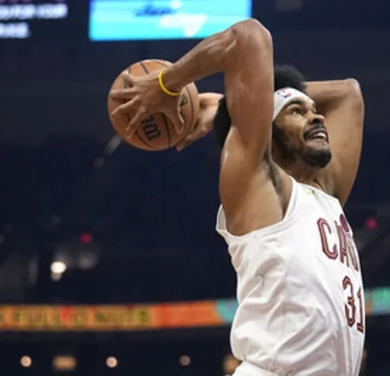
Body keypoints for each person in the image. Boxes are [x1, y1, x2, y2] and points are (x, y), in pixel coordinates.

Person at [109, 19, 366, 376]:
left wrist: (233, 104)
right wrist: (170, 83)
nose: (317, 115)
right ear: (267, 131)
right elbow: (250, 37)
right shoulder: (258, 182)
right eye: (297, 112)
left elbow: (348, 93)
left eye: (311, 109)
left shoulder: (326, 195)